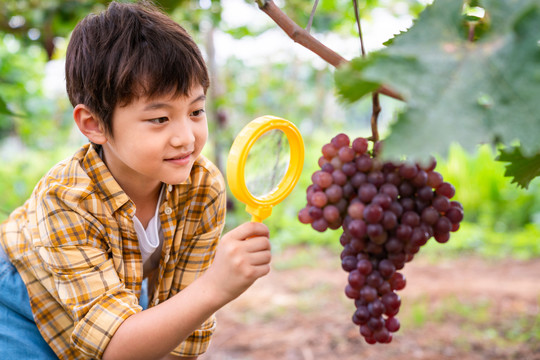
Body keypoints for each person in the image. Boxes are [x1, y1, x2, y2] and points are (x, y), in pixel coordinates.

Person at [0, 1, 272, 359]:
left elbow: (181, 336)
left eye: (195, 111)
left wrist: (206, 291)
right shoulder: (68, 200)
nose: (186, 138)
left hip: (115, 289)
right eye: (160, 119)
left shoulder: (202, 188)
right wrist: (216, 287)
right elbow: (114, 347)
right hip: (22, 299)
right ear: (94, 125)